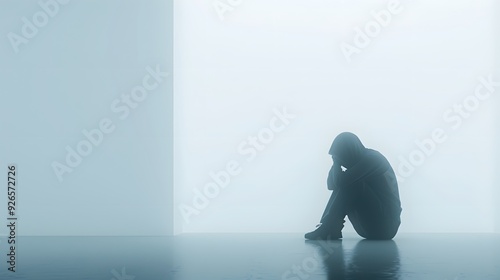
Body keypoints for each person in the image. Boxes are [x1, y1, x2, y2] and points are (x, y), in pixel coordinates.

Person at [305, 132, 402, 240]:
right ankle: (329, 227)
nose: (341, 161)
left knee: (351, 183)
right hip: (369, 227)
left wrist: (337, 164)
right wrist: (335, 163)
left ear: (349, 152)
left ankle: (329, 227)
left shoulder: (373, 159)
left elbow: (340, 182)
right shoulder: (359, 164)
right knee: (346, 182)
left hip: (386, 226)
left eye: (341, 157)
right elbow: (331, 185)